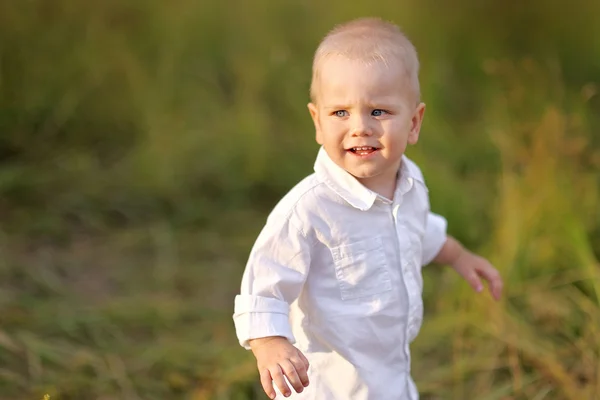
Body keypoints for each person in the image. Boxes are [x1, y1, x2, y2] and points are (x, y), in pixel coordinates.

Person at [232, 17, 503, 400]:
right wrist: (270, 343)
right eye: (340, 112)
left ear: (413, 123)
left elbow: (417, 231)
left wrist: (459, 256)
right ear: (317, 122)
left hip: (390, 372)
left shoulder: (410, 184)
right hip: (328, 381)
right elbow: (264, 283)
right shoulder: (308, 210)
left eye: (378, 111)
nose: (360, 126)